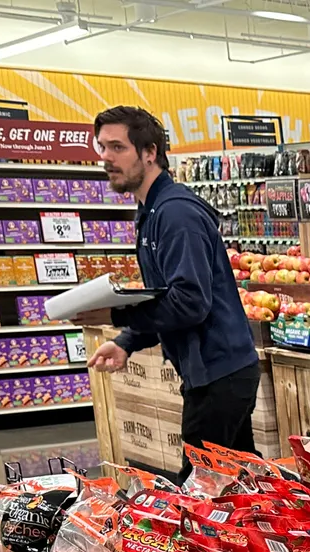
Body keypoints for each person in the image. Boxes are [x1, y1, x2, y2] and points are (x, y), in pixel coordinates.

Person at [86, 106, 260, 476]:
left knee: (199, 490)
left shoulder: (175, 214)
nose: (106, 158)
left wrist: (115, 314)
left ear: (149, 152)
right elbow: (165, 298)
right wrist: (127, 340)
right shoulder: (153, 213)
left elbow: (190, 304)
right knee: (241, 485)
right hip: (215, 372)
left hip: (219, 374)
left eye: (117, 148)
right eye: (102, 148)